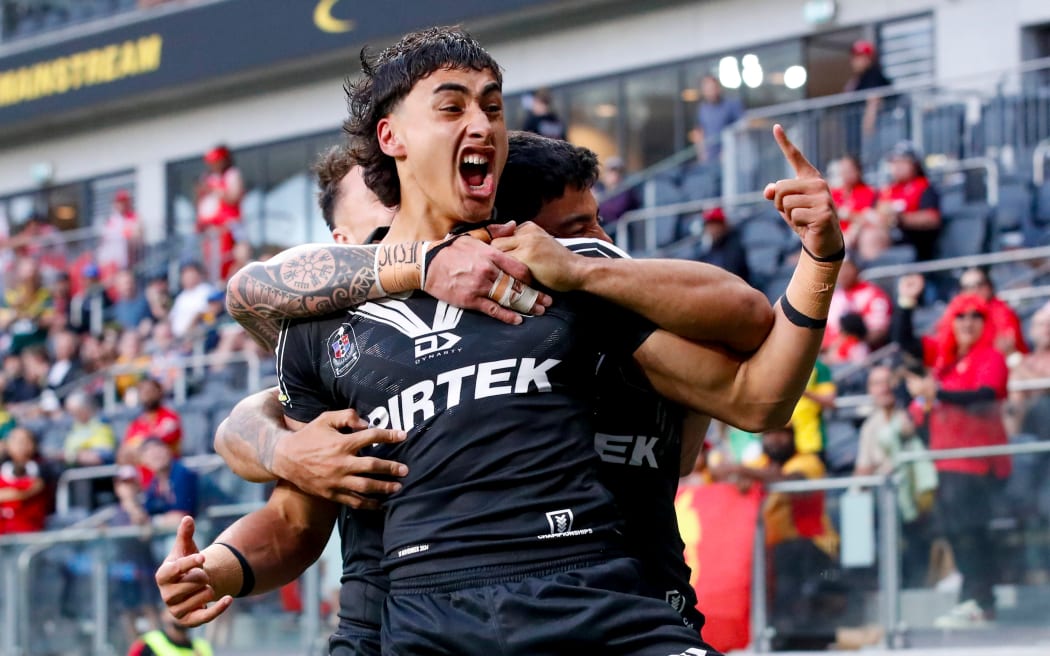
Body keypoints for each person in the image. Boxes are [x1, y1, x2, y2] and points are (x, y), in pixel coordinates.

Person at [157, 26, 843, 654]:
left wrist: (819, 262)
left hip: (592, 603)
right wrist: (219, 565)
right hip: (415, 622)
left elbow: (750, 394)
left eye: (493, 106)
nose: (482, 123)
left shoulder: (554, 267)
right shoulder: (324, 320)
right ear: (392, 137)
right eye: (453, 107)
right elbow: (293, 519)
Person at [894, 274, 1011, 628]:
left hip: (977, 460)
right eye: (961, 315)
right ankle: (973, 599)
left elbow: (986, 395)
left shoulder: (990, 357)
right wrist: (906, 303)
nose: (968, 322)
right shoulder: (945, 359)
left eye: (976, 316)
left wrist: (936, 395)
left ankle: (980, 600)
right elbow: (906, 344)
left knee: (971, 531)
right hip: (949, 458)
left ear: (985, 322)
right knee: (960, 531)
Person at [710, 425, 840, 648]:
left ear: (793, 436)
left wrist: (743, 471)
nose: (774, 439)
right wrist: (739, 475)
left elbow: (792, 482)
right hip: (773, 551)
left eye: (781, 434)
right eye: (769, 434)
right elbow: (723, 473)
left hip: (812, 545)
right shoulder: (760, 464)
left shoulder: (807, 461)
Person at [854, 365, 937, 588]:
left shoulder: (913, 409)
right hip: (885, 498)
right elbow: (863, 468)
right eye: (876, 384)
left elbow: (915, 423)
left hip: (917, 492)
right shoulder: (870, 426)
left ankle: (915, 583)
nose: (883, 389)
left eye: (887, 382)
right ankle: (869, 584)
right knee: (854, 511)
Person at [869, 142, 942, 262]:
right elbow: (872, 213)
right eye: (894, 162)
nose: (897, 166)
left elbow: (932, 219)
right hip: (883, 238)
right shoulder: (886, 189)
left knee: (871, 237)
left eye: (903, 161)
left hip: (912, 243)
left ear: (915, 164)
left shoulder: (924, 187)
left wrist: (899, 218)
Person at [196, 145, 244, 281]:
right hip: (213, 233)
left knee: (233, 261)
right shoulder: (209, 178)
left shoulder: (232, 175)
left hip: (231, 228)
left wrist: (215, 189)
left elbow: (233, 197)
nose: (213, 165)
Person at [956, 267, 1028, 358]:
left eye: (979, 285)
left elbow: (1005, 346)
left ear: (989, 287)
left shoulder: (1004, 313)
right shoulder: (958, 314)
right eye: (967, 287)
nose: (974, 290)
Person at [824, 256, 892, 350]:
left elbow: (878, 333)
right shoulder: (833, 298)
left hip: (863, 355)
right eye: (838, 269)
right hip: (831, 356)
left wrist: (857, 340)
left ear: (856, 268)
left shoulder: (874, 294)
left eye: (846, 268)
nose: (842, 273)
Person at [122, 379, 182, 473]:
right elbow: (126, 451)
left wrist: (138, 442)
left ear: (159, 392)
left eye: (150, 391)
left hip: (170, 471)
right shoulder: (135, 424)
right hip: (144, 476)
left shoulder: (170, 416)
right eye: (143, 391)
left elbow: (159, 440)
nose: (147, 395)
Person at [0, 426, 49, 534]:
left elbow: (24, 493)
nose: (20, 445)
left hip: (29, 531)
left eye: (24, 441)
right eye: (15, 440)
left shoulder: (42, 468)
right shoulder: (3, 469)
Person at [0, 257, 53, 354]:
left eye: (33, 271)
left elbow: (49, 320)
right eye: (27, 272)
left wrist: (33, 316)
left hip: (38, 345)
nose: (30, 276)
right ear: (18, 273)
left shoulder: (44, 294)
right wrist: (16, 312)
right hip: (15, 346)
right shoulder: (10, 295)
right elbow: (2, 322)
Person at [790, 358, 837, 457]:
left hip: (811, 441)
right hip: (783, 440)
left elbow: (830, 401)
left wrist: (801, 389)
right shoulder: (779, 363)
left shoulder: (819, 367)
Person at [693, 74, 744, 164]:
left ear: (718, 88)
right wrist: (702, 154)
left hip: (730, 158)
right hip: (710, 159)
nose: (710, 92)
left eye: (712, 88)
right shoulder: (702, 109)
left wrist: (728, 151)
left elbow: (742, 129)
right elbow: (699, 132)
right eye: (707, 89)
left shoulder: (731, 105)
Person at [696, 207, 751, 284]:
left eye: (716, 224)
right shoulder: (708, 250)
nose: (713, 229)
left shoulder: (734, 247)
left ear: (724, 225)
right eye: (709, 225)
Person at [98, 189, 142, 283]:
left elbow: (136, 236)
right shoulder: (111, 220)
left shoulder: (134, 218)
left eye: (124, 202)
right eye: (119, 202)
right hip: (112, 265)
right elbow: (104, 242)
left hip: (130, 265)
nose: (122, 205)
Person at [63, 392, 116, 467]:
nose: (72, 416)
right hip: (72, 470)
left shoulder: (101, 425)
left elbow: (100, 457)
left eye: (75, 412)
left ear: (85, 409)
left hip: (94, 473)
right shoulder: (74, 427)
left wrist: (74, 456)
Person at [831, 155, 876, 242]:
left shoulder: (868, 192)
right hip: (833, 234)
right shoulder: (834, 192)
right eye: (843, 171)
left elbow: (865, 219)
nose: (846, 174)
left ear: (858, 171)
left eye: (849, 170)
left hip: (855, 238)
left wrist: (843, 214)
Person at [168, 261, 216, 340]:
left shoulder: (206, 290)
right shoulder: (181, 297)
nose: (188, 276)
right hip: (177, 338)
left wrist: (189, 329)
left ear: (199, 274)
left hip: (197, 335)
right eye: (185, 274)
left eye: (191, 273)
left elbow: (208, 312)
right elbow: (171, 318)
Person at [127, 612, 213, 656]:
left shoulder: (202, 647)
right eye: (175, 606)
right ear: (164, 615)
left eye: (187, 608)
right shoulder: (146, 644)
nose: (181, 612)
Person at [595, 155, 639, 225]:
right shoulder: (599, 189)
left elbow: (617, 211)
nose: (615, 175)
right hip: (603, 229)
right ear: (604, 174)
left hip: (620, 231)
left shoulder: (627, 191)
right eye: (611, 171)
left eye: (619, 172)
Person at [110, 271, 154, 335]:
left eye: (129, 282)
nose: (128, 286)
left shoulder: (146, 298)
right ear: (117, 286)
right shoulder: (117, 308)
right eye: (124, 284)